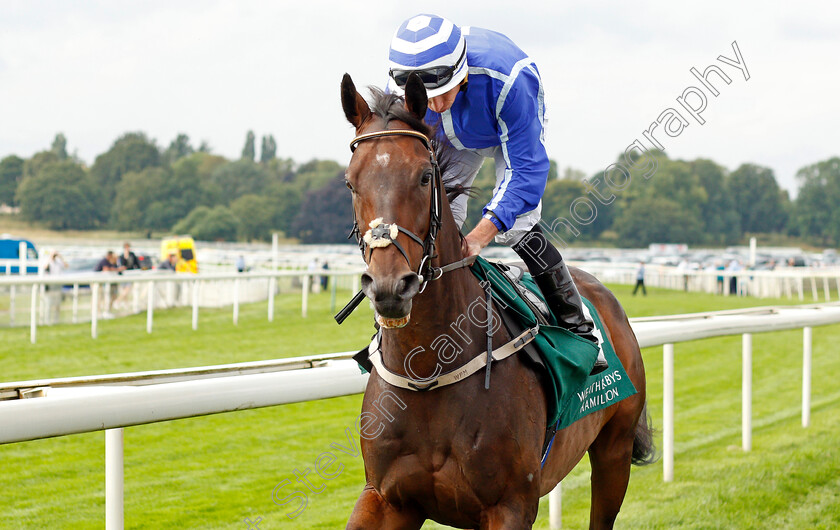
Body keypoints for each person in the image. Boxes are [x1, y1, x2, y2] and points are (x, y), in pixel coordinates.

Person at [387, 14, 606, 372]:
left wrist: (482, 233)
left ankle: (579, 328)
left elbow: (527, 172)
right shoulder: (402, 88)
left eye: (443, 92)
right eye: (426, 97)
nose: (436, 104)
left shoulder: (511, 79)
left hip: (503, 123)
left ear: (460, 73)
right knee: (435, 221)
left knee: (517, 224)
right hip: (447, 139)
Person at [94, 251, 121, 317]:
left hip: (107, 283)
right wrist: (117, 269)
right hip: (97, 282)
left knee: (111, 296)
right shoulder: (104, 261)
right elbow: (106, 269)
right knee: (99, 297)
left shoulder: (112, 262)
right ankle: (98, 312)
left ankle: (106, 311)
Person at [44, 251, 68, 324]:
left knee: (57, 304)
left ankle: (56, 321)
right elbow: (45, 267)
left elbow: (66, 266)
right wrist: (50, 257)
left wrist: (60, 257)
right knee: (48, 304)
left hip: (58, 286)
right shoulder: (47, 261)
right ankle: (47, 321)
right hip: (50, 286)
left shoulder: (59, 262)